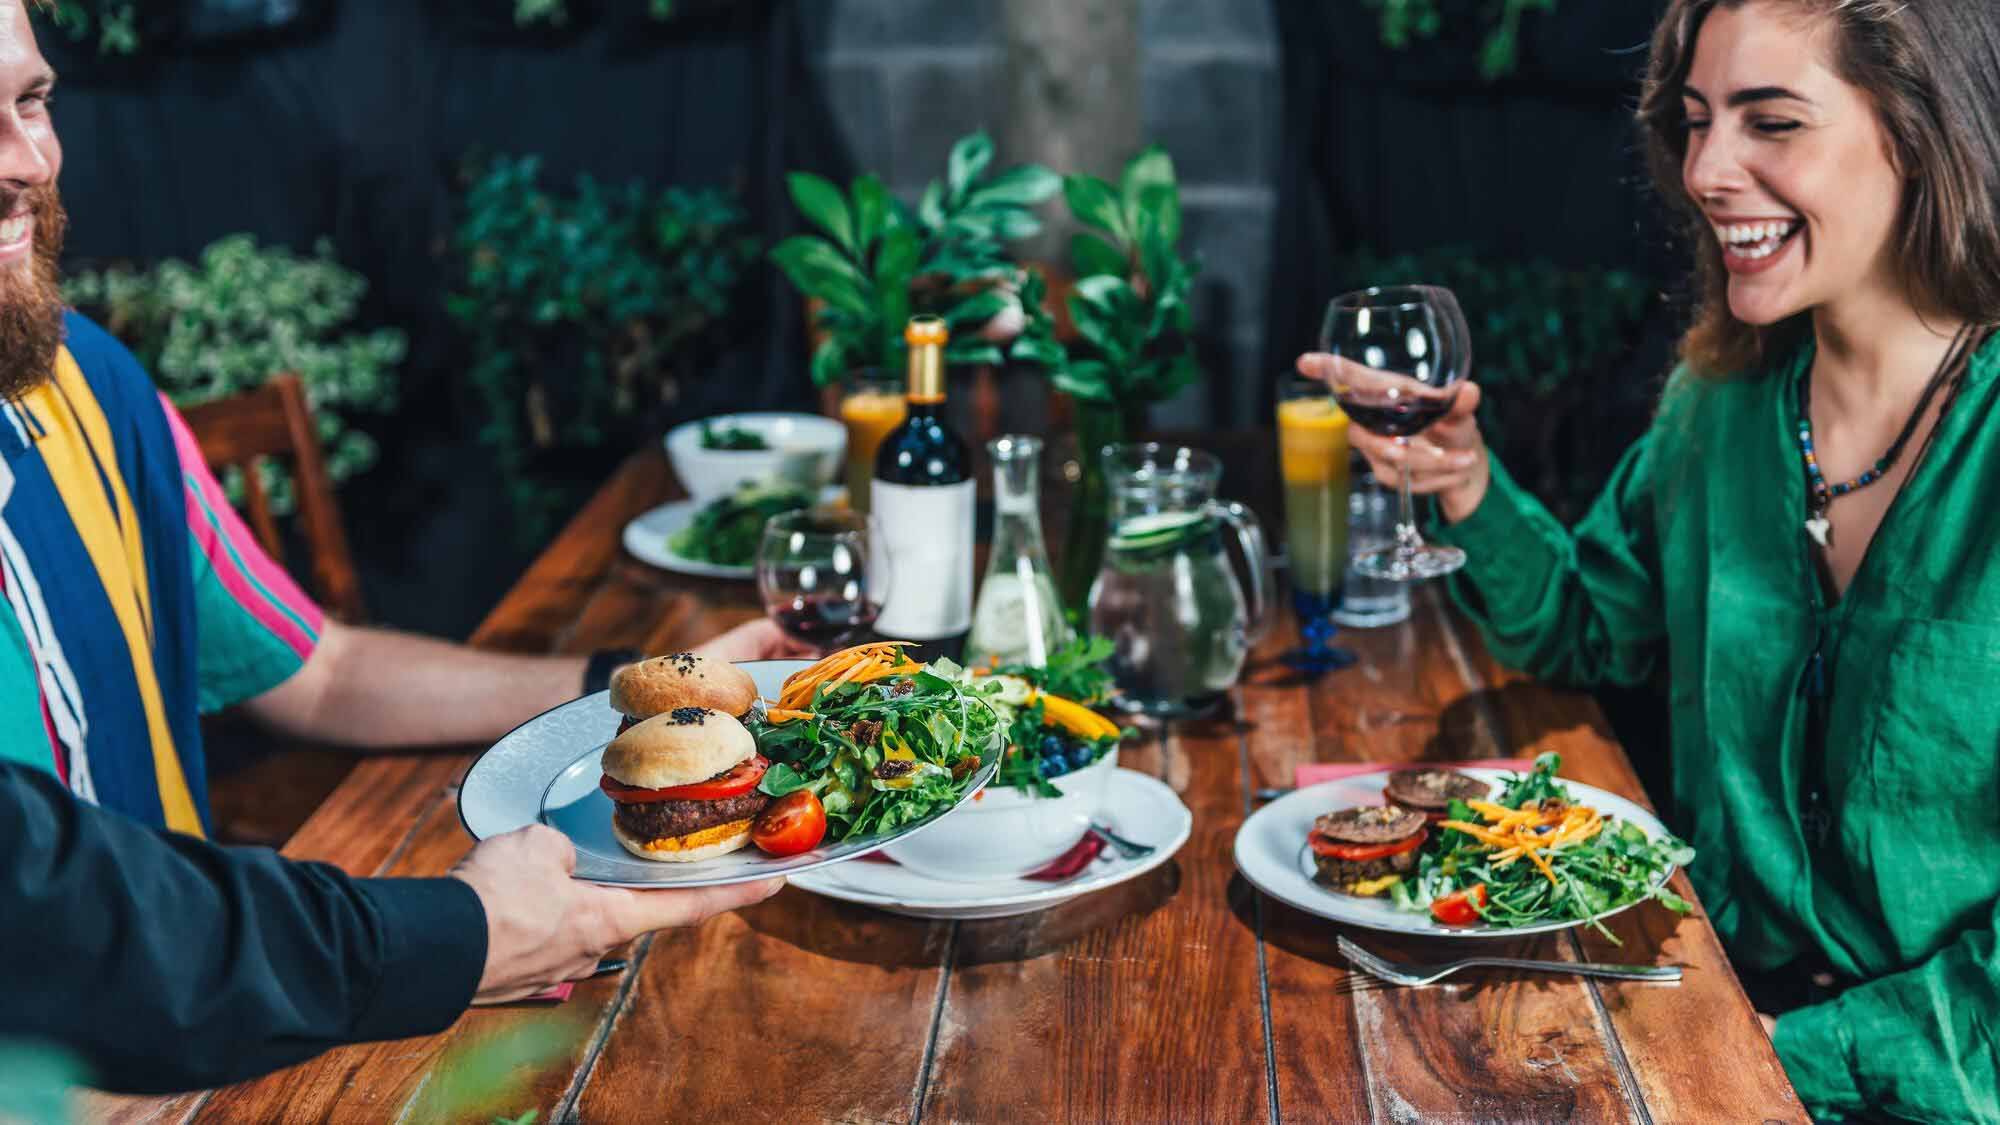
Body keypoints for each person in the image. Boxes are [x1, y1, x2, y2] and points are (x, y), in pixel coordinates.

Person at [0, 0, 800, 1094]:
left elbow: (320, 670)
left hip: (205, 1050)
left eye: (32, 99)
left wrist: (620, 692)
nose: (28, 159)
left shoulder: (87, 383)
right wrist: (457, 937)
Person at [1302, 0, 2000, 1119]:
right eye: (1692, 121)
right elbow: (1588, 625)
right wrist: (1468, 488)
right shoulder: (1714, 409)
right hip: (1699, 1002)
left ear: (1920, 137)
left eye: (1769, 122)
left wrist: (1778, 1061)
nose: (1706, 170)